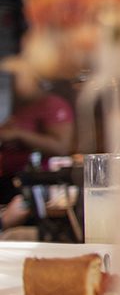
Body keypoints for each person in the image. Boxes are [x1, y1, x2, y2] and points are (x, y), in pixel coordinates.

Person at [0, 55, 75, 205]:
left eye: (18, 78)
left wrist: (19, 135)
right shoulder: (20, 106)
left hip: (35, 185)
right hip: (9, 181)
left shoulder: (52, 105)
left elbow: (61, 147)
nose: (13, 82)